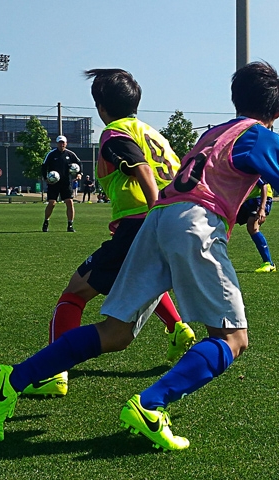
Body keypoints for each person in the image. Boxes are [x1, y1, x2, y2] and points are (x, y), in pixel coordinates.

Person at [0, 62, 279, 449]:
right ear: (278, 110)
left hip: (156, 219)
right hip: (194, 223)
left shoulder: (212, 134)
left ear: (234, 98)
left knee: (116, 333)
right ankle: (150, 406)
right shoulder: (260, 136)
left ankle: (10, 380)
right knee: (233, 338)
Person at [14, 69, 195, 399]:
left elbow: (142, 171)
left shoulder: (115, 133)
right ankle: (177, 327)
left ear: (100, 106)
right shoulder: (153, 134)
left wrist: (155, 216)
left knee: (74, 294)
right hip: (176, 225)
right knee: (131, 310)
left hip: (142, 226)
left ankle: (53, 372)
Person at [41, 135, 81, 232]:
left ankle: (70, 225)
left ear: (66, 143)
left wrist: (79, 174)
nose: (61, 144)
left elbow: (79, 164)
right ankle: (46, 222)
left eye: (63, 143)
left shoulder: (70, 154)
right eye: (59, 143)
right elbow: (44, 166)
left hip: (66, 183)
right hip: (53, 183)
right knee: (52, 203)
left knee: (70, 202)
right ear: (57, 143)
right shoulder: (51, 154)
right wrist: (45, 178)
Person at [237, 179, 276, 272]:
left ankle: (268, 263)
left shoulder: (253, 169)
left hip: (260, 198)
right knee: (224, 221)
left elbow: (264, 185)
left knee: (252, 226)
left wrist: (262, 209)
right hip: (247, 199)